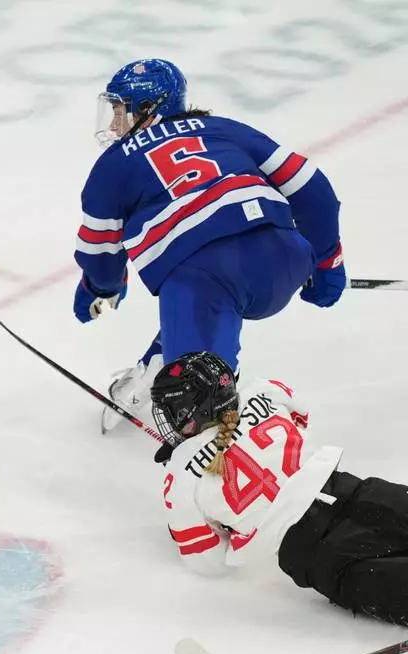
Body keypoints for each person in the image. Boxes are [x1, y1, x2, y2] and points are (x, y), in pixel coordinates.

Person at [72, 58, 345, 434]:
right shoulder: (224, 128)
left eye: (120, 110)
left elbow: (100, 252)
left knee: (196, 399)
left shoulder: (114, 163)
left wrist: (100, 287)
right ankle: (159, 364)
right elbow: (314, 191)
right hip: (287, 255)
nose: (115, 123)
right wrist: (327, 261)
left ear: (147, 111)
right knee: (198, 314)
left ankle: (234, 456)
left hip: (206, 280)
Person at [151, 351, 408, 627]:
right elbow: (302, 415)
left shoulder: (180, 476)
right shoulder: (263, 389)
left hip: (319, 551)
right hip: (356, 492)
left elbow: (207, 561)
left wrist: (231, 526)